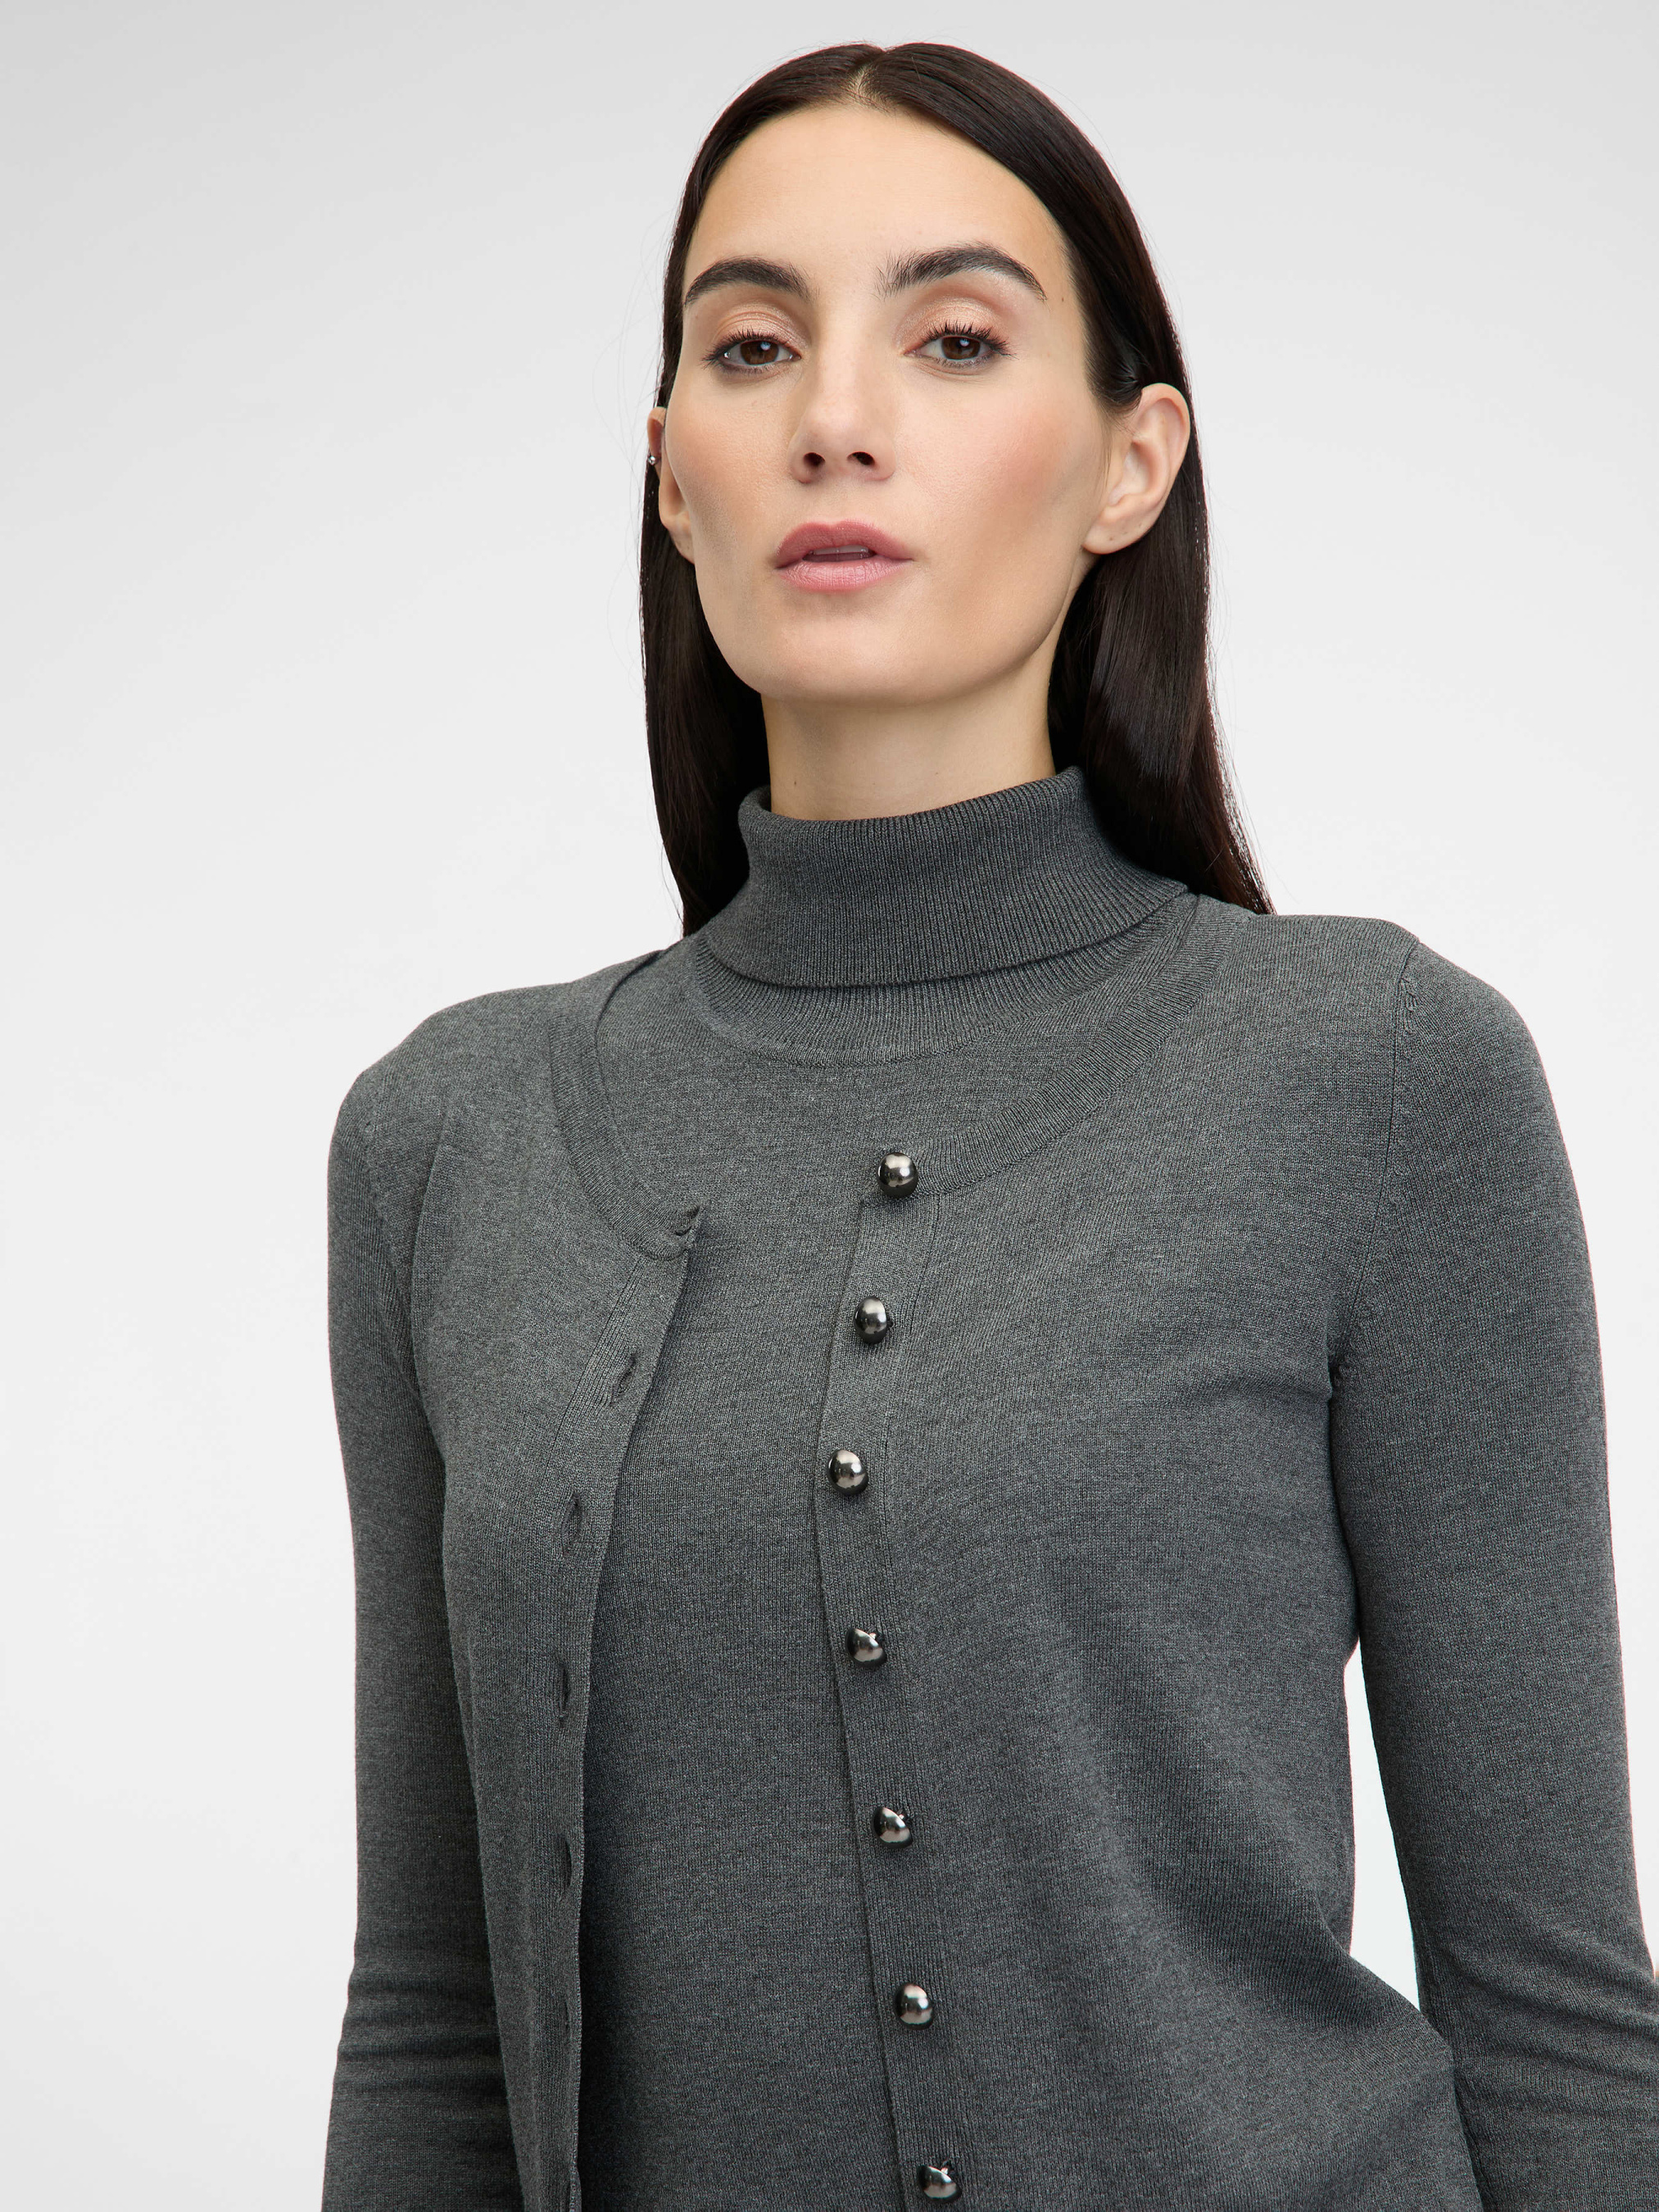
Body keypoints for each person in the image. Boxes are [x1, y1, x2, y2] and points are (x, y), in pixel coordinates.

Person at [318, 41, 1659, 2212]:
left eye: (951, 338)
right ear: (673, 479)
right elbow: (433, 2019)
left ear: (1132, 461)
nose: (833, 417)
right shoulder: (449, 1140)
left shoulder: (1375, 1078)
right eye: (752, 346)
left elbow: (1557, 2012)